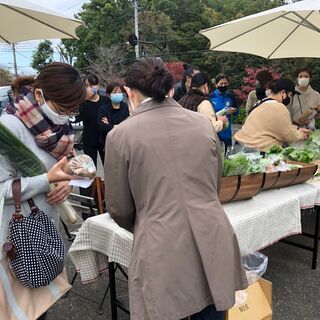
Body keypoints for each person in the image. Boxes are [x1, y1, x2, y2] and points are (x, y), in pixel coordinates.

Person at [104, 57, 247, 320]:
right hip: (212, 233)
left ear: (129, 91)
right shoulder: (203, 123)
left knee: (167, 310)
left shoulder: (120, 135)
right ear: (169, 88)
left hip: (161, 243)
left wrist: (148, 219)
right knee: (212, 308)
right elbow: (214, 184)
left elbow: (119, 207)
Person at [0, 62, 87, 320]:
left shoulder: (59, 128)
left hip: (45, 228)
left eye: (73, 110)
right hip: (17, 235)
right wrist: (46, 180)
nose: (67, 116)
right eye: (63, 108)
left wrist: (65, 184)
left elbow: (62, 168)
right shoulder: (9, 127)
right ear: (39, 95)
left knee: (42, 303)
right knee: (20, 309)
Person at [235, 79, 310, 151]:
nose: (290, 98)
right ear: (283, 93)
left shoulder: (260, 102)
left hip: (242, 146)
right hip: (258, 150)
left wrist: (296, 129)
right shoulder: (278, 107)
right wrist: (301, 135)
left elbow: (275, 127)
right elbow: (288, 134)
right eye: (290, 95)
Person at [74, 73, 108, 167]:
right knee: (90, 169)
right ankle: (92, 182)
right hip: (89, 140)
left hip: (104, 139)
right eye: (86, 86)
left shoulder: (106, 101)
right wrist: (83, 100)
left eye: (92, 85)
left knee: (108, 167)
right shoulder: (82, 103)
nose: (89, 88)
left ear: (97, 86)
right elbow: (79, 118)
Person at [210, 74, 239, 153]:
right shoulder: (210, 97)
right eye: (221, 84)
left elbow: (237, 112)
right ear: (216, 85)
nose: (223, 85)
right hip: (214, 132)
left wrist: (234, 111)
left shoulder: (231, 96)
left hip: (227, 133)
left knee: (226, 157)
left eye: (225, 83)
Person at [97, 80, 129, 147]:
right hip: (107, 143)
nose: (117, 94)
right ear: (109, 95)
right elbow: (102, 126)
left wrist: (109, 125)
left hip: (122, 142)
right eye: (114, 92)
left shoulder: (125, 107)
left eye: (120, 92)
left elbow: (128, 126)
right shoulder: (103, 109)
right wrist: (119, 127)